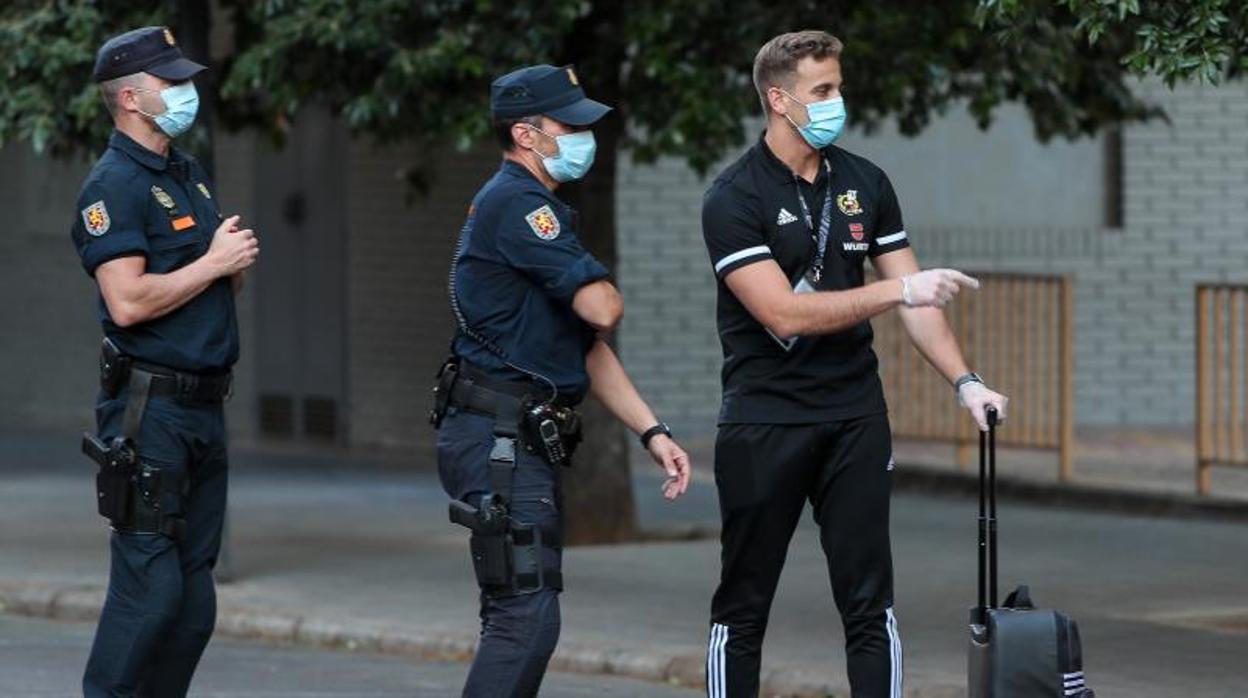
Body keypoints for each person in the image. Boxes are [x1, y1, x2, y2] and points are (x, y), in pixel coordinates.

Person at [700, 30, 1009, 698]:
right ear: (779, 99)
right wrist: (898, 290)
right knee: (743, 607)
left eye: (839, 85)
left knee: (871, 606)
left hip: (854, 418)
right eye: (825, 89)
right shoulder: (733, 197)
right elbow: (781, 313)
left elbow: (918, 299)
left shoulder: (865, 181)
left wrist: (967, 381)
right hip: (764, 422)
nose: (840, 100)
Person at [430, 63, 693, 697]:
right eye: (567, 124)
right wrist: (597, 283)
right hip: (498, 438)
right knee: (524, 617)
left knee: (524, 614)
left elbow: (588, 346)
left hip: (513, 436)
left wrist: (652, 432)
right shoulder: (519, 206)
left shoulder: (537, 206)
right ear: (526, 134)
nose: (583, 135)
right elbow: (603, 307)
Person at [71, 26, 258, 698]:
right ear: (129, 97)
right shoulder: (112, 186)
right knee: (151, 594)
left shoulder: (187, 172)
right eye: (170, 83)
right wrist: (212, 263)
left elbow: (207, 279)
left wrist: (225, 266)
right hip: (150, 413)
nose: (186, 93)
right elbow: (126, 302)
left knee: (192, 607)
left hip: (205, 406)